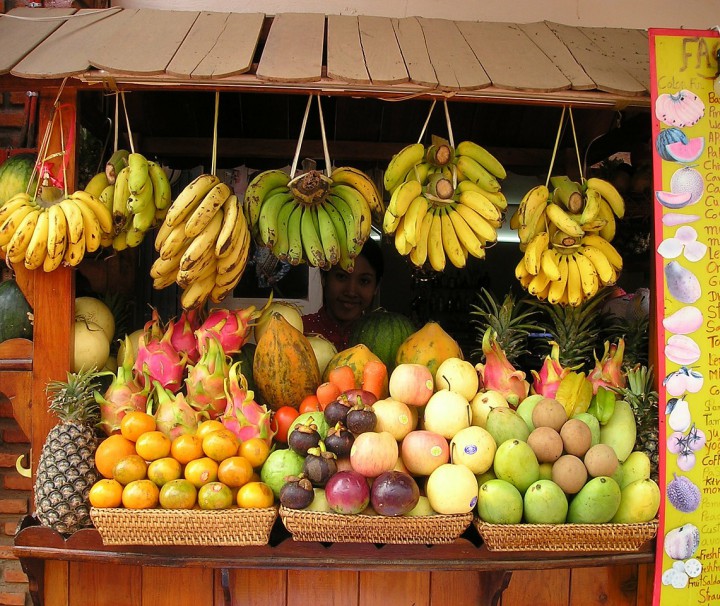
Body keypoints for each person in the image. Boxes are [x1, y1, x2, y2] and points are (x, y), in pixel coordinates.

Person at [302, 237, 384, 351]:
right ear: (324, 278)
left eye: (364, 281)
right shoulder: (299, 331)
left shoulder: (383, 340)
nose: (351, 291)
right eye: (341, 276)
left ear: (376, 287)